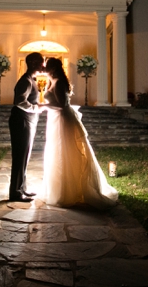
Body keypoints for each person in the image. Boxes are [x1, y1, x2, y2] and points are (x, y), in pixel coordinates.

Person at [42, 57, 118, 209]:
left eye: (46, 67)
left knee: (67, 152)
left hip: (63, 120)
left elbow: (62, 105)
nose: (43, 69)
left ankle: (70, 191)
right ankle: (60, 188)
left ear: (53, 69)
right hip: (55, 120)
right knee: (57, 153)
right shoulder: (52, 81)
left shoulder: (58, 82)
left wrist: (42, 106)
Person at [8, 52, 45, 202]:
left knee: (25, 156)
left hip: (27, 121)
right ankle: (16, 193)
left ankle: (22, 188)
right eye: (41, 63)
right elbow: (19, 101)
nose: (43, 66)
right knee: (20, 156)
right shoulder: (26, 81)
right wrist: (37, 108)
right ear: (33, 63)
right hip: (21, 121)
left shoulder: (31, 79)